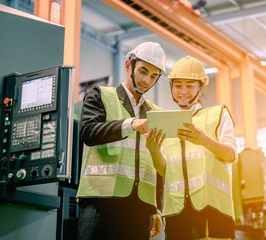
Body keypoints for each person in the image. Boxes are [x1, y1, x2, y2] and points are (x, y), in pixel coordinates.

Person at [76, 42, 166, 240]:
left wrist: (157, 208)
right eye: (143, 71)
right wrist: (131, 124)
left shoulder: (157, 114)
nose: (146, 80)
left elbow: (160, 168)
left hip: (139, 207)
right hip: (100, 200)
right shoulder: (99, 95)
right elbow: (89, 132)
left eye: (153, 76)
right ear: (128, 65)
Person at [146, 56, 238, 240]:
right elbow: (165, 170)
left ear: (201, 87)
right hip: (177, 213)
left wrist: (204, 140)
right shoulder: (165, 122)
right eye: (178, 85)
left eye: (190, 85)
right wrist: (154, 151)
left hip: (213, 210)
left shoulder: (218, 114)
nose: (183, 91)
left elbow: (231, 154)